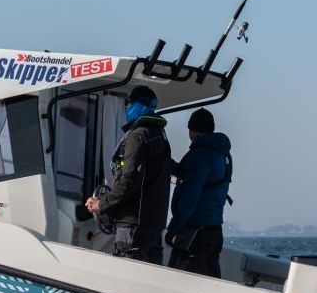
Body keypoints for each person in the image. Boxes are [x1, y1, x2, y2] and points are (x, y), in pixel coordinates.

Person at [85, 86, 171, 264]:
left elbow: (129, 180)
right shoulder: (159, 136)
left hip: (133, 224)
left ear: (140, 106)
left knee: (128, 270)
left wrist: (101, 203)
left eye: (130, 103)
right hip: (153, 224)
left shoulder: (138, 136)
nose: (127, 107)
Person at [165, 108, 232, 277]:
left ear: (192, 130)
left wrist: (173, 228)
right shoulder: (221, 153)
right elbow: (187, 173)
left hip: (195, 232)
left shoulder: (200, 154)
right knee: (211, 281)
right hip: (214, 231)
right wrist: (166, 163)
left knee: (179, 281)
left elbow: (190, 195)